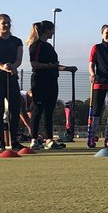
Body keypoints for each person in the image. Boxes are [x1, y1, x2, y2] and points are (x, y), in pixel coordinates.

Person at [27, 20, 75, 150]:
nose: (53, 32)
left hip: (52, 81)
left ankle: (49, 139)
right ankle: (34, 139)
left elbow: (54, 65)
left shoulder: (49, 47)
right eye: (52, 30)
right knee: (37, 109)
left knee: (49, 111)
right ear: (47, 30)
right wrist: (49, 66)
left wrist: (67, 68)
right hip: (39, 81)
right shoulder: (36, 45)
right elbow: (34, 64)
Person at [0, 14, 24, 152]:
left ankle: (14, 141)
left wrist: (13, 67)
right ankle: (1, 142)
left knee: (15, 109)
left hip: (12, 78)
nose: (6, 25)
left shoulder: (17, 41)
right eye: (3, 23)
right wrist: (3, 67)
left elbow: (19, 59)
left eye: (8, 23)